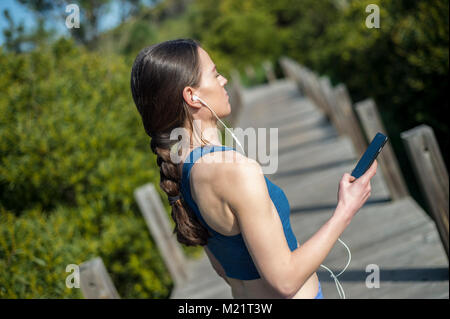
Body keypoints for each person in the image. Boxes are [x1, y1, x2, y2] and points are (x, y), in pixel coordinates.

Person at [130, 38, 378, 299]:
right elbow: (285, 281)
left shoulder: (182, 169)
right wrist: (345, 210)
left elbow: (223, 268)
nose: (223, 80)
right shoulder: (235, 171)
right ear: (192, 96)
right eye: (214, 74)